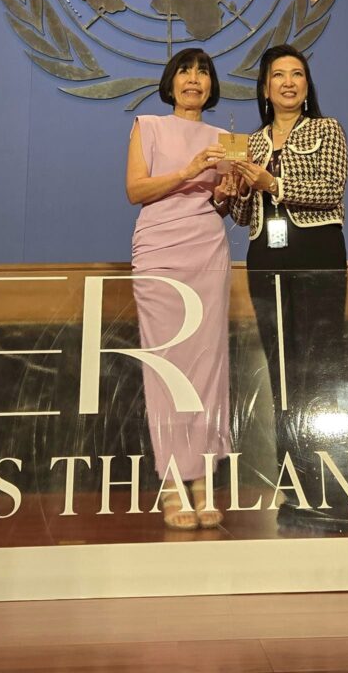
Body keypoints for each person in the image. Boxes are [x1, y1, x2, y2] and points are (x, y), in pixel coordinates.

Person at [229, 44, 348, 526]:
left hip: (317, 252)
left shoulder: (327, 129)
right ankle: (295, 490)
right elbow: (242, 214)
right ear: (264, 88)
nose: (288, 82)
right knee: (281, 371)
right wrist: (236, 190)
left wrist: (273, 184)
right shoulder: (250, 143)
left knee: (318, 366)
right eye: (278, 75)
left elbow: (331, 190)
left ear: (306, 85)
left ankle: (332, 493)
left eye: (297, 74)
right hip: (265, 256)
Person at [126, 48, 239, 530]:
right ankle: (173, 481)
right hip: (159, 250)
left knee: (208, 363)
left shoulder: (225, 139)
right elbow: (136, 190)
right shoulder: (147, 126)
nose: (194, 79)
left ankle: (203, 479)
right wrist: (188, 172)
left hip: (207, 248)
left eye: (203, 72)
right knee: (166, 363)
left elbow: (225, 206)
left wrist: (227, 194)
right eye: (185, 72)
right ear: (170, 82)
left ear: (212, 86)